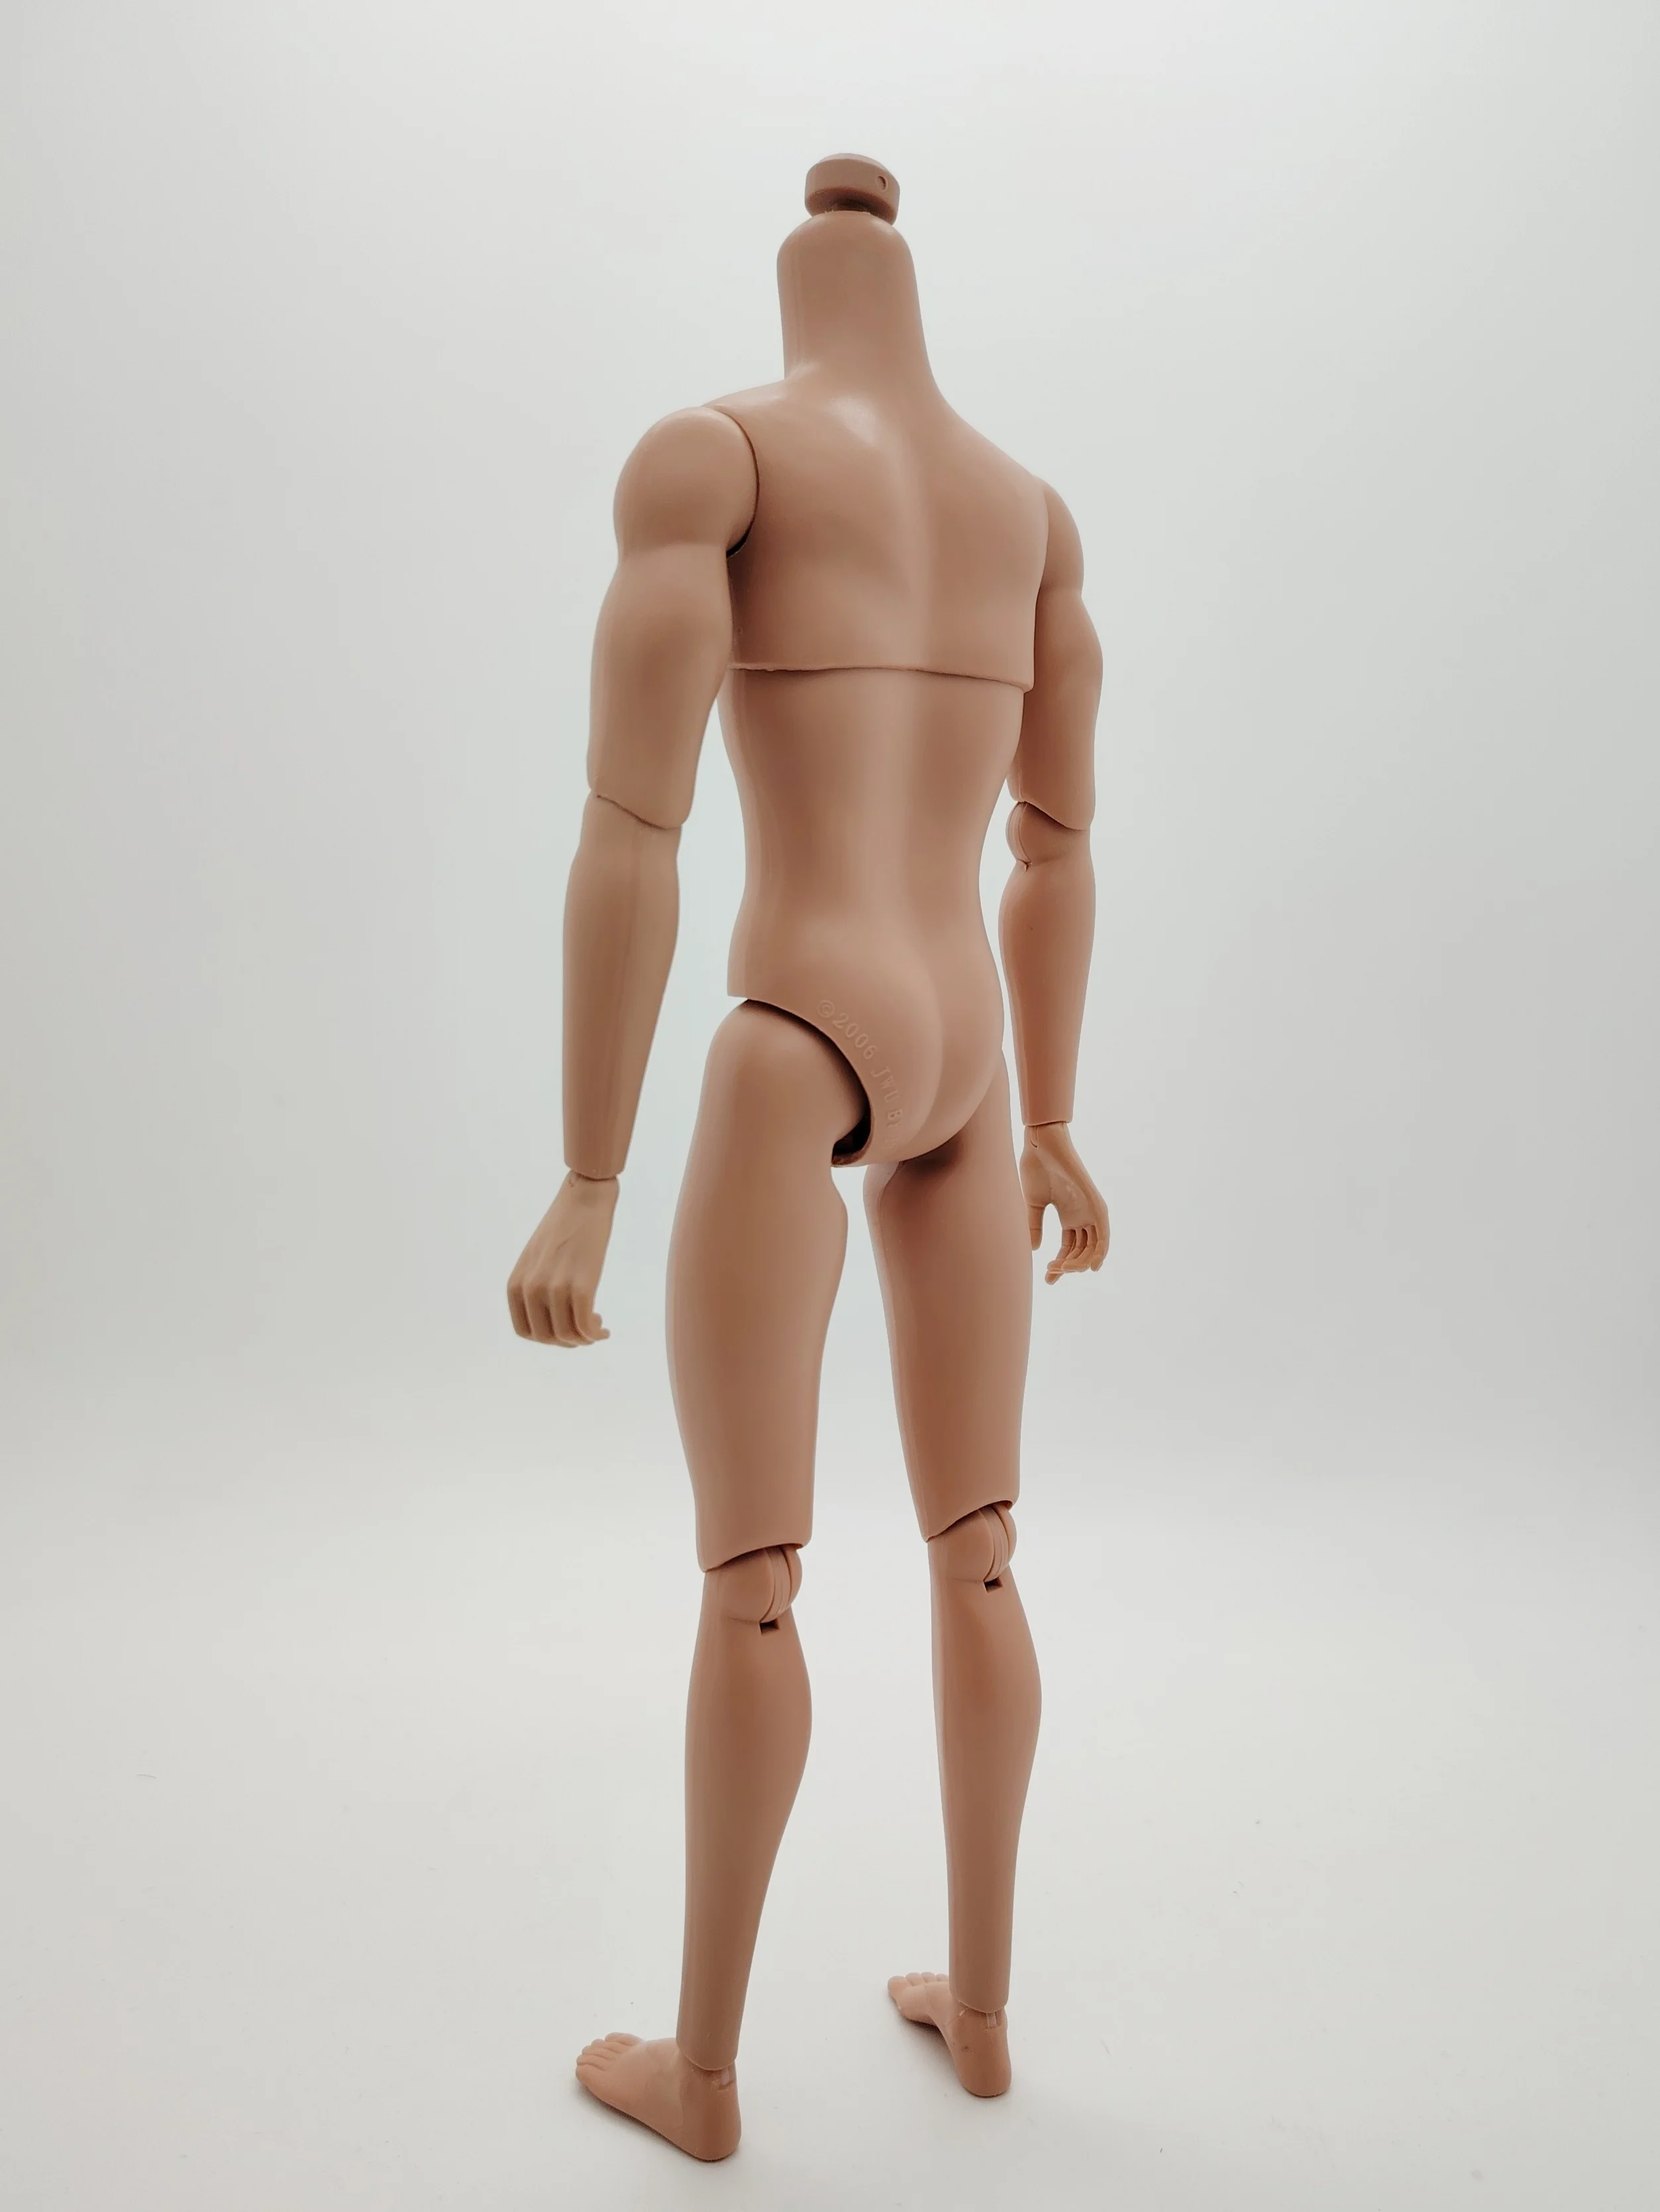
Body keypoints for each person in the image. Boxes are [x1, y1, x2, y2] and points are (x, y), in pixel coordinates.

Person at [507, 154, 1108, 2162]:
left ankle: (700, 2074)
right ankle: (985, 2016)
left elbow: (633, 825)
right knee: (980, 1547)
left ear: (801, 281)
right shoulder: (1030, 512)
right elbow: (1055, 849)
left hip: (801, 1033)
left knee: (756, 1583)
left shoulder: (716, 457)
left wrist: (590, 1171)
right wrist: (1057, 1116)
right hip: (972, 1056)